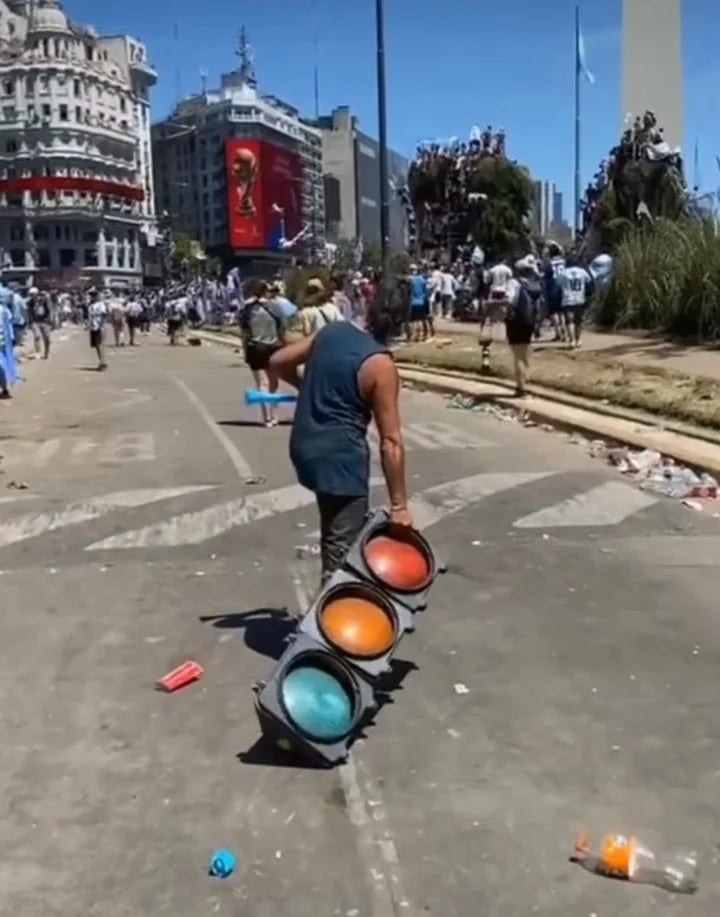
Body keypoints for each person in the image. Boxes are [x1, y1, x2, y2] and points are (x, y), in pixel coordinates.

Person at [269, 301, 413, 588]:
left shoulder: (331, 332)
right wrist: (399, 506)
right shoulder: (381, 365)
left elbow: (277, 361)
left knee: (334, 526)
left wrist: (303, 385)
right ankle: (329, 621)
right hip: (341, 458)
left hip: (304, 446)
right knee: (343, 554)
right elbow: (391, 441)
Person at [239, 278, 287, 427]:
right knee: (274, 383)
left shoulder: (247, 309)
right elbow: (283, 327)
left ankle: (266, 418)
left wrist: (245, 350)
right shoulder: (276, 307)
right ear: (266, 291)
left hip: (255, 347)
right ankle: (274, 415)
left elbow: (244, 332)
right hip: (274, 347)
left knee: (262, 383)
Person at [559, 255, 594, 348]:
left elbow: (558, 284)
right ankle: (578, 340)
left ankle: (572, 341)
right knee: (578, 321)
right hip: (579, 298)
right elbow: (589, 281)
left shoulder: (563, 273)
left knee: (569, 321)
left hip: (567, 299)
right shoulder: (582, 272)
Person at [87, 292, 108, 370]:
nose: (92, 297)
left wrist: (101, 325)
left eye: (93, 296)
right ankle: (101, 361)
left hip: (99, 326)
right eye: (91, 296)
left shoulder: (100, 304)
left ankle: (103, 362)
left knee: (100, 344)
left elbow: (104, 315)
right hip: (93, 327)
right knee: (96, 345)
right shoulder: (90, 305)